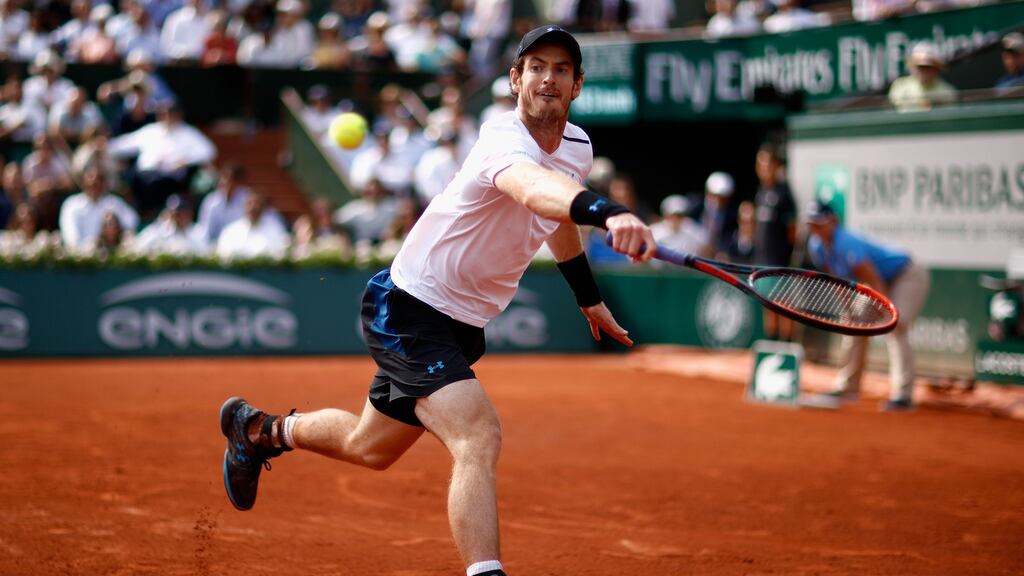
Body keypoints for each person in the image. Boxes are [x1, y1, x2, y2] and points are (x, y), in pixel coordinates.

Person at [218, 24, 655, 576]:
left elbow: (554, 215)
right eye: (537, 67)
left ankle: (258, 429)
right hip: (410, 306)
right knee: (478, 434)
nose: (549, 78)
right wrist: (607, 212)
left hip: (463, 324)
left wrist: (587, 297)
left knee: (368, 446)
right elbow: (533, 189)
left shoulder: (577, 148)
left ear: (577, 86)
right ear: (516, 79)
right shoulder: (503, 138)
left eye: (562, 70)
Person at [804, 199, 930, 412]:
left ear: (832, 222)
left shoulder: (846, 243)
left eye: (819, 223)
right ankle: (847, 387)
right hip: (876, 282)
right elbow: (838, 281)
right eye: (811, 224)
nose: (815, 229)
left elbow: (874, 280)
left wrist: (887, 311)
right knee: (853, 325)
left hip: (906, 276)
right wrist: (848, 312)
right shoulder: (816, 246)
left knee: (896, 325)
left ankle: (903, 396)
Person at [752, 142, 797, 341]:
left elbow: (792, 230)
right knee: (768, 304)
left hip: (781, 261)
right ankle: (772, 343)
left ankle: (786, 345)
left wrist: (789, 257)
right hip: (763, 260)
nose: (763, 169)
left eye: (766, 164)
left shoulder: (784, 193)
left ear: (776, 166)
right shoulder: (760, 193)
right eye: (759, 165)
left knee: (785, 304)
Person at [888, 42, 957, 112]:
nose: (923, 71)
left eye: (927, 67)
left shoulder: (947, 90)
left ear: (936, 69)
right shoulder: (900, 86)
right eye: (919, 67)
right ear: (911, 67)